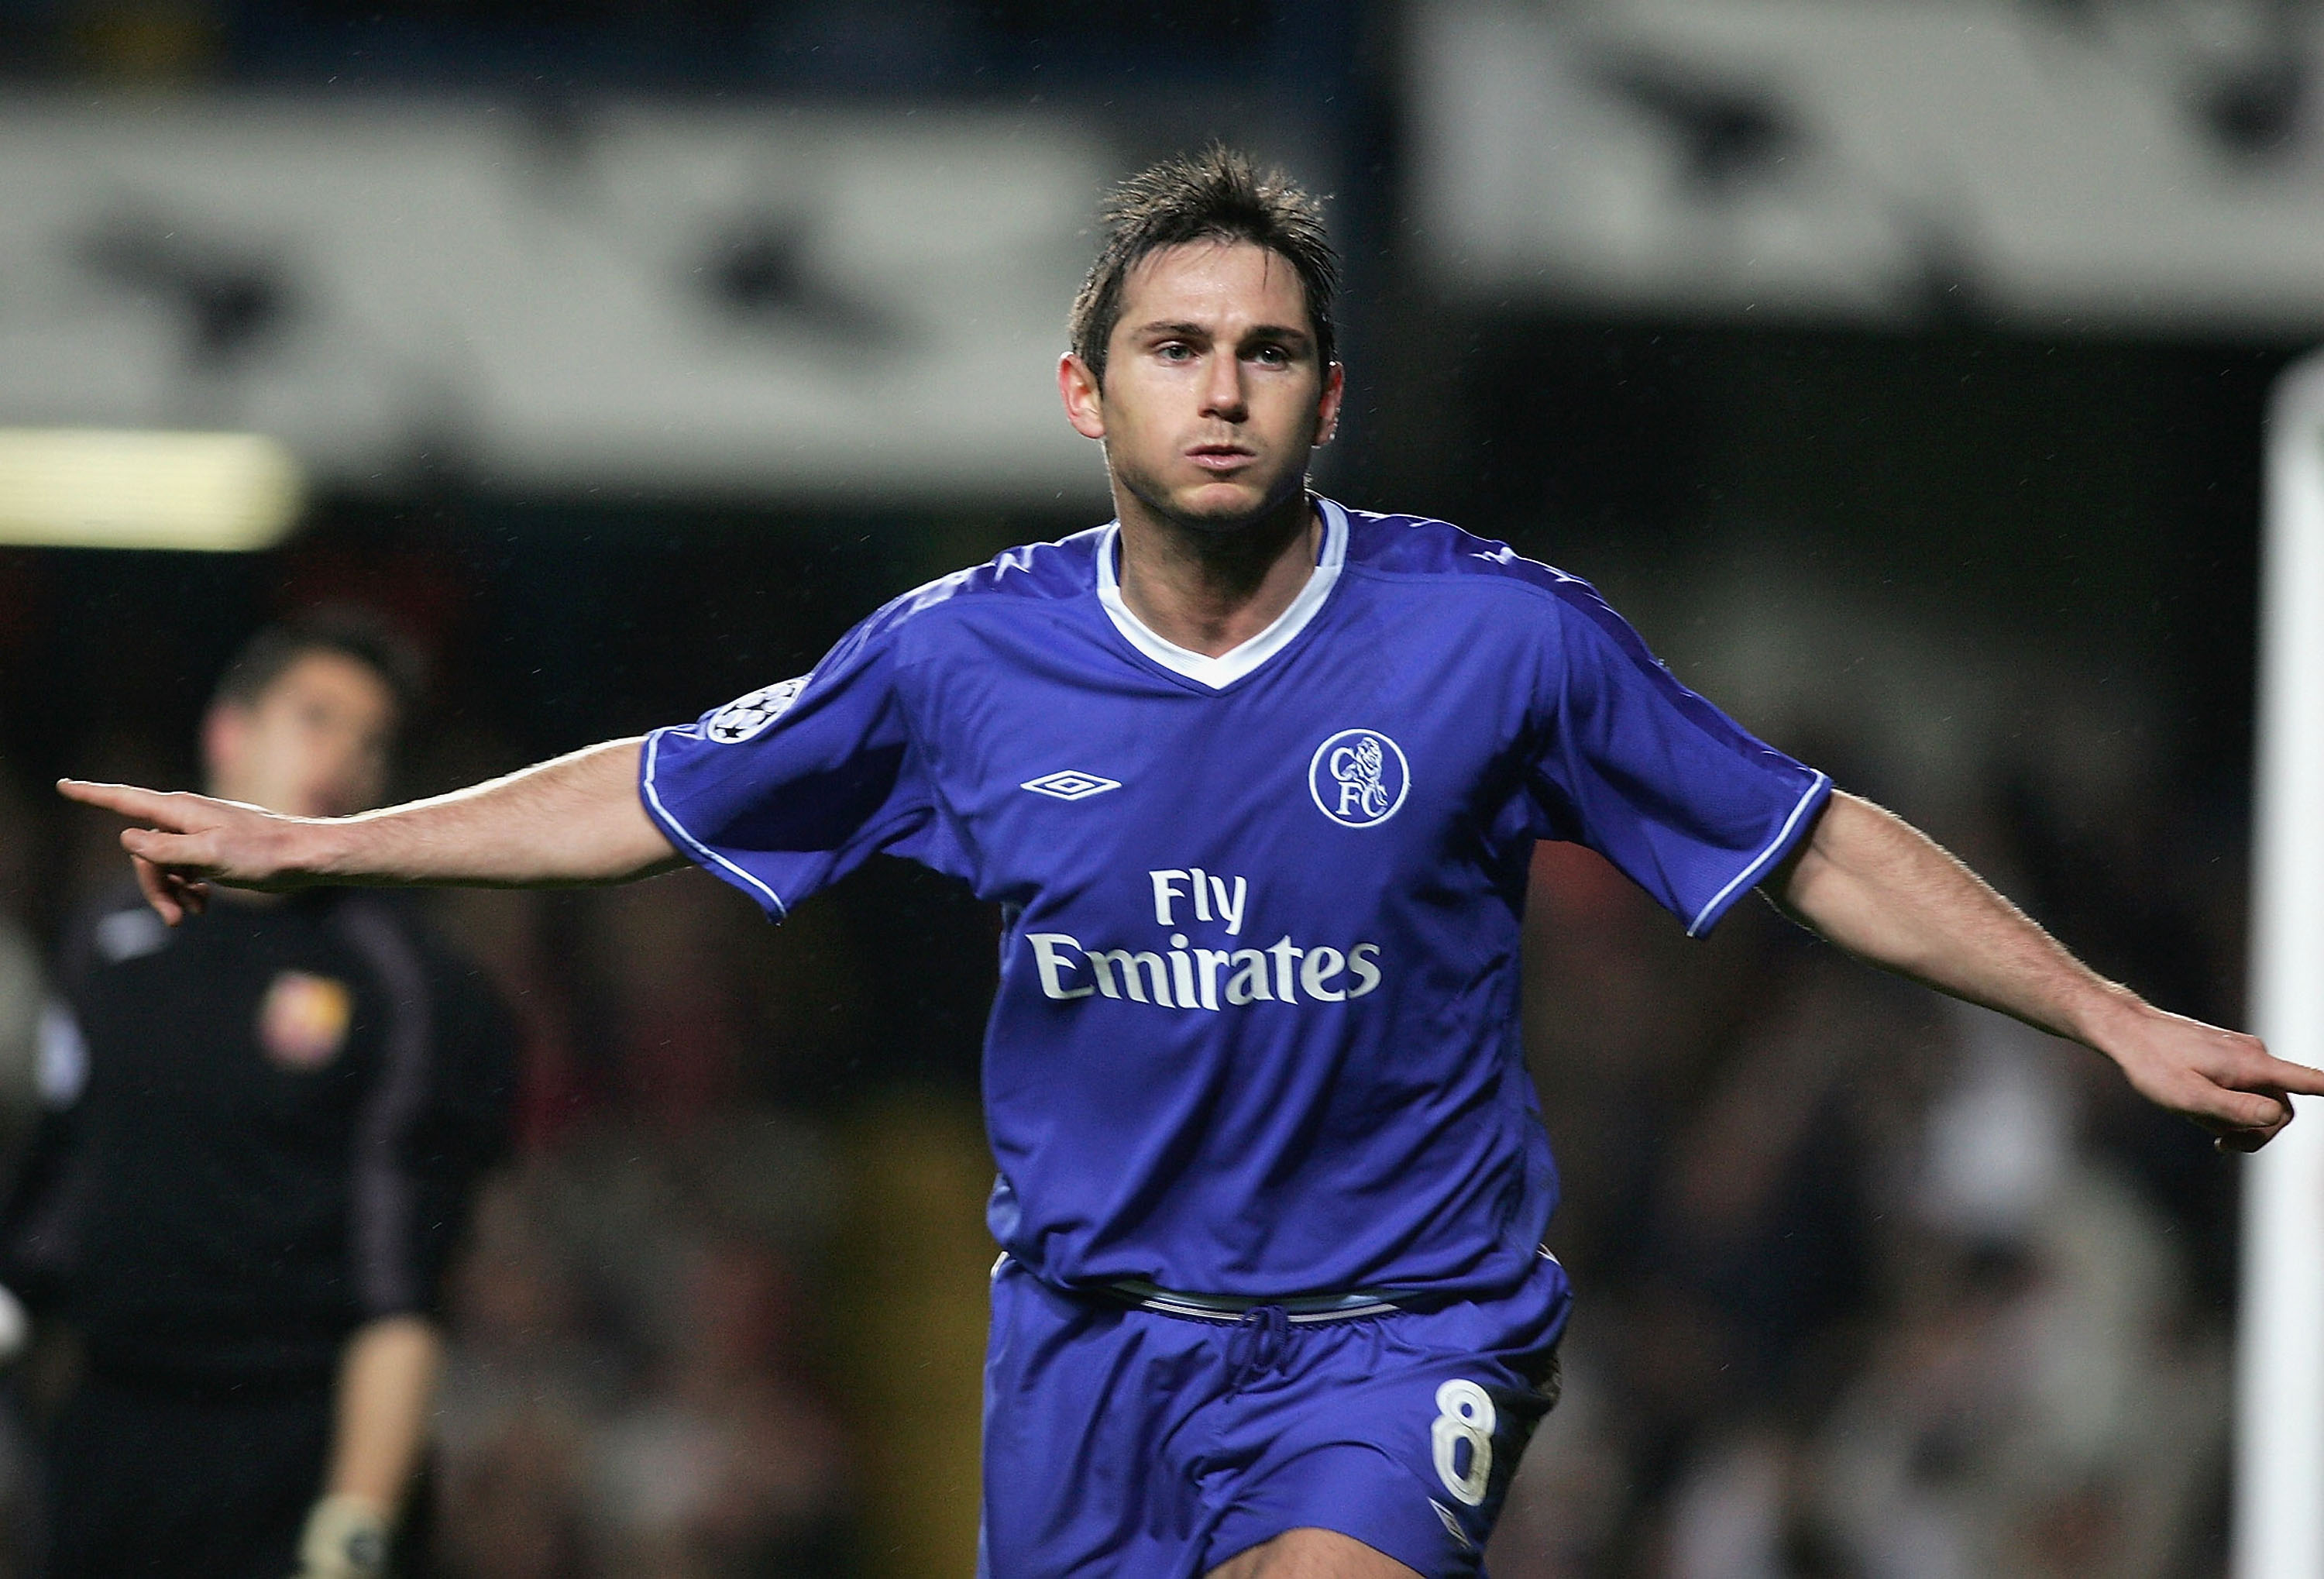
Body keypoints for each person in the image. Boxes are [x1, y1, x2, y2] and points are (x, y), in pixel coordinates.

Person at [57, 150, 2322, 1579]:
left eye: (1265, 351)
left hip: (1395, 1329)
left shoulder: (1493, 634)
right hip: (1081, 1350)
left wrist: (2112, 1013)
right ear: (1087, 395)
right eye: (1174, 348)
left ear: (1329, 398)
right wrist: (330, 839)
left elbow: (1804, 841)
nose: (1220, 385)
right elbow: (651, 794)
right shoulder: (958, 659)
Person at [14, 613, 515, 1579]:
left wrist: (355, 1522)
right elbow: (63, 1187)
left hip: (296, 1439)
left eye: (372, 741)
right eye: (315, 718)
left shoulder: (409, 981)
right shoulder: (109, 939)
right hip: (113, 1436)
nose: (342, 757)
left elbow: (402, 1282)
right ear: (229, 732)